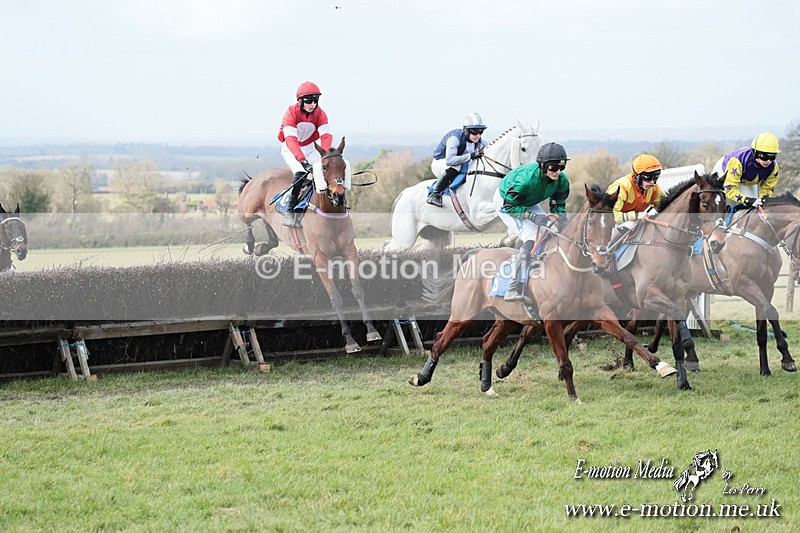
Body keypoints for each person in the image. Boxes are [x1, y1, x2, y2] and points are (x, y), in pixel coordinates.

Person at [493, 142, 570, 302]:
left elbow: (558, 205)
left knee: (551, 230)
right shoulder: (526, 181)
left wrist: (562, 221)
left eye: (561, 168)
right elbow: (510, 207)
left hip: (528, 201)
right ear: (542, 166)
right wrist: (534, 217)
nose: (558, 172)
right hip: (506, 202)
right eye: (553, 168)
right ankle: (513, 285)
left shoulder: (562, 180)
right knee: (531, 236)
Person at [277, 81, 352, 227]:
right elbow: (291, 139)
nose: (313, 104)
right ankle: (290, 212)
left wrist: (325, 156)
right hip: (291, 148)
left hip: (310, 148)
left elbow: (325, 136)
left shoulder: (320, 114)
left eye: (315, 101)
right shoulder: (291, 113)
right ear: (300, 101)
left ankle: (335, 201)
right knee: (300, 172)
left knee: (326, 171)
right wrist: (302, 160)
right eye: (309, 101)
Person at [426, 113, 488, 207]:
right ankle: (434, 194)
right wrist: (471, 155)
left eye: (481, 132)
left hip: (456, 162)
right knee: (457, 166)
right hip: (440, 162)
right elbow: (450, 161)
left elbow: (490, 147)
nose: (478, 135)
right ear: (466, 130)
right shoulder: (454, 138)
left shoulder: (477, 139)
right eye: (475, 132)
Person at [606, 154, 665, 245]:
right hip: (610, 223)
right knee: (629, 225)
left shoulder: (655, 189)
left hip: (635, 220)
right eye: (648, 178)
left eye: (655, 178)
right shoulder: (622, 187)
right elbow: (612, 216)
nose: (652, 182)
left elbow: (665, 206)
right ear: (636, 176)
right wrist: (636, 216)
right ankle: (607, 252)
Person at [713, 132, 781, 207]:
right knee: (715, 200)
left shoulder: (773, 167)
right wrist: (747, 200)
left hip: (748, 180)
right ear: (755, 152)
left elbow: (768, 188)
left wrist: (763, 200)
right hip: (724, 172)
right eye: (764, 156)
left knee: (755, 205)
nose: (768, 161)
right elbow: (730, 189)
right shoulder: (737, 161)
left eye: (772, 157)